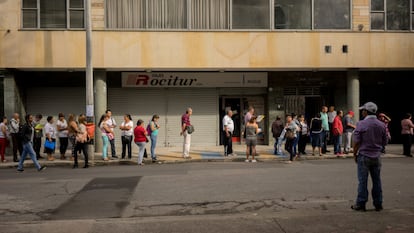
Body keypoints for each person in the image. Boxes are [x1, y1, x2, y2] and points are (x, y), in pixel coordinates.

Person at [351, 102, 387, 212]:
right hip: (376, 156)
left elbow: (356, 141)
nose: (362, 112)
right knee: (377, 180)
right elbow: (384, 141)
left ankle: (361, 203)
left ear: (366, 112)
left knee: (363, 181)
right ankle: (378, 203)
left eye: (363, 110)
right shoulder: (382, 125)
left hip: (364, 155)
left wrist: (354, 154)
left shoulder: (361, 124)